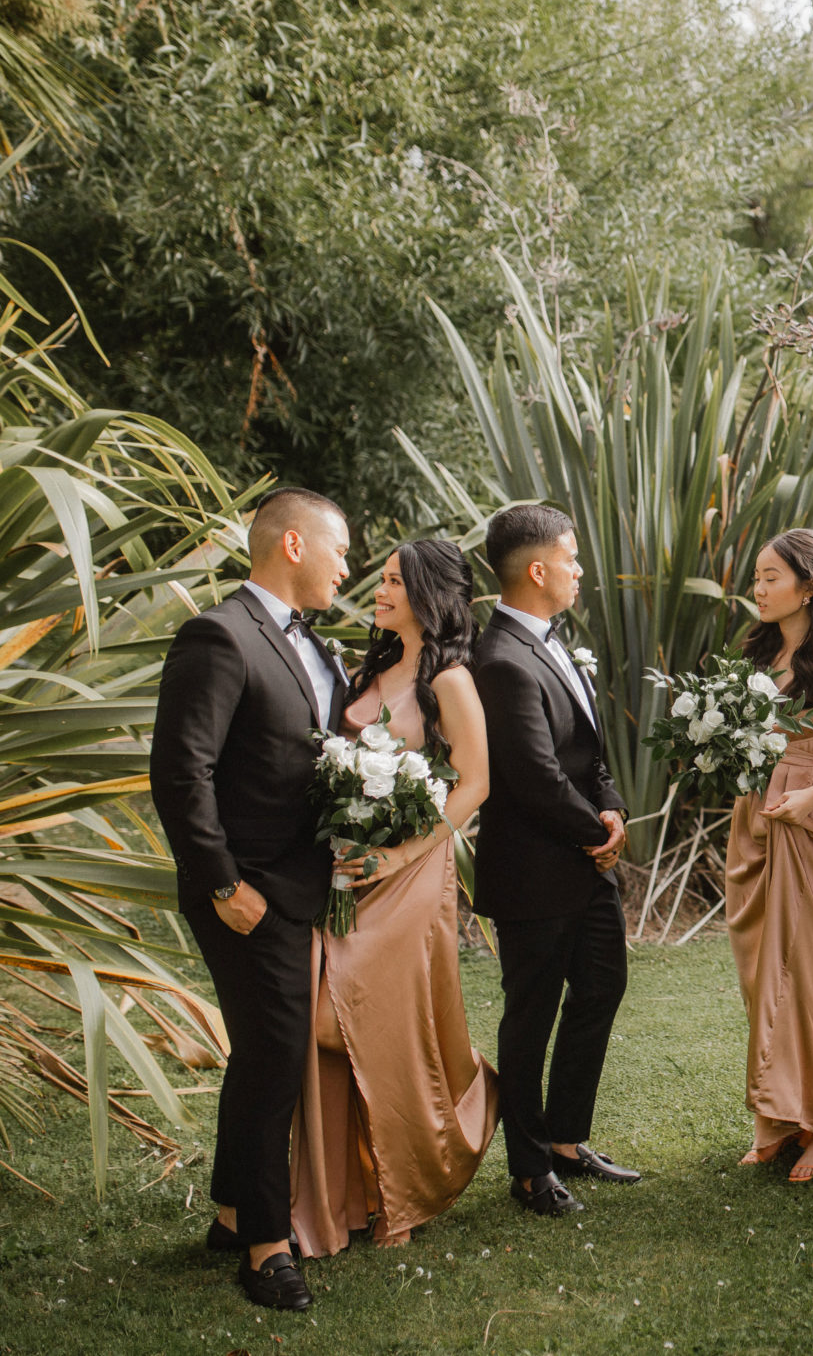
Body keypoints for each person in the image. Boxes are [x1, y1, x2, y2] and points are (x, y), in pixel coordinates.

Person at [150, 486, 352, 1310]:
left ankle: (235, 1212)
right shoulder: (218, 634)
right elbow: (179, 772)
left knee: (264, 1051)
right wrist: (223, 883)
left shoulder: (317, 647)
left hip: (299, 885)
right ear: (294, 545)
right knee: (275, 1055)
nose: (348, 565)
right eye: (340, 549)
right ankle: (268, 1246)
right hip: (246, 890)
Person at [290, 539, 499, 1256]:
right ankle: (346, 1193)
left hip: (409, 874)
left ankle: (404, 1188)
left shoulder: (452, 681)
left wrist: (401, 853)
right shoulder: (365, 667)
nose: (378, 589)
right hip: (343, 870)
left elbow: (474, 782)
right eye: (377, 577)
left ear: (427, 591)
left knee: (380, 1028)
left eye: (392, 580)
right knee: (329, 1024)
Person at [472, 504, 640, 1218]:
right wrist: (594, 832)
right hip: (536, 874)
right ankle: (529, 1166)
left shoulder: (550, 643)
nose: (578, 569)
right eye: (571, 557)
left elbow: (586, 751)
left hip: (584, 862)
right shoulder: (501, 659)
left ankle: (569, 1138)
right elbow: (534, 774)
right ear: (537, 570)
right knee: (530, 1016)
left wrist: (610, 807)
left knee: (602, 986)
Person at [724, 529, 813, 1183]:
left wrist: (811, 795)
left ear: (808, 586)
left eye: (772, 576)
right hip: (752, 820)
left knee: (808, 972)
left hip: (810, 826)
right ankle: (776, 1118)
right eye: (757, 576)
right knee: (759, 970)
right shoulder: (752, 661)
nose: (759, 587)